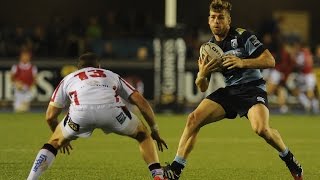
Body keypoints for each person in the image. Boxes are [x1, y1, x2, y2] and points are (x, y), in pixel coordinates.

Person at [163, 0, 303, 179]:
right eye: (213, 17)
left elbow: (270, 61)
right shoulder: (208, 49)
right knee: (193, 119)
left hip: (252, 90)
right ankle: (176, 169)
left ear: (229, 20)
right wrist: (201, 74)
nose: (216, 21)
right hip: (230, 91)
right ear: (208, 20)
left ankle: (290, 160)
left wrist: (243, 62)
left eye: (221, 18)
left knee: (261, 129)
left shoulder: (243, 36)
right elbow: (203, 87)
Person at [27, 52, 168, 180]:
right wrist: (154, 130)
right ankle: (157, 174)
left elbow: (50, 116)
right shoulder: (110, 74)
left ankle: (31, 178)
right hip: (113, 113)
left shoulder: (69, 78)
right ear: (99, 66)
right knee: (143, 134)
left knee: (53, 143)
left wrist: (62, 138)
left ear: (78, 68)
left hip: (80, 115)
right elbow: (140, 101)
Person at [11, 48, 37, 112]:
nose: (25, 58)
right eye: (24, 56)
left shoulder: (32, 67)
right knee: (17, 109)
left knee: (25, 109)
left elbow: (35, 79)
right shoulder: (16, 66)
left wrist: (30, 87)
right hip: (18, 91)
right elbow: (11, 78)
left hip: (27, 91)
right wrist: (16, 83)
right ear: (21, 57)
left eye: (26, 56)